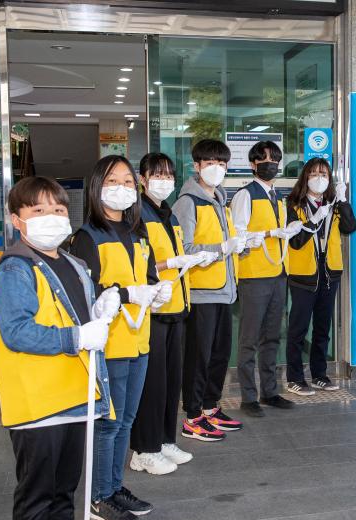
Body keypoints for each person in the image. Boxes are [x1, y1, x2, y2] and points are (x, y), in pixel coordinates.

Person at [0, 176, 115, 520]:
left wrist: (99, 310)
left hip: (74, 394)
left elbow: (76, 315)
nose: (52, 218)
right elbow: (18, 332)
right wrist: (78, 336)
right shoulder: (15, 270)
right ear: (16, 220)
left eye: (58, 209)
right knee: (37, 491)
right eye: (38, 210)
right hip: (36, 401)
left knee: (64, 487)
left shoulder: (72, 264)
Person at [71, 155, 170, 520]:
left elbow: (146, 276)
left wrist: (155, 292)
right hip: (108, 345)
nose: (123, 188)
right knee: (108, 424)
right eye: (113, 180)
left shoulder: (137, 231)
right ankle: (99, 497)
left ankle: (113, 487)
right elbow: (84, 292)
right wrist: (127, 294)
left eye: (128, 181)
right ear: (97, 186)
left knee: (126, 420)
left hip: (138, 340)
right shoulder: (87, 237)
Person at [129, 153, 216, 476]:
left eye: (168, 175)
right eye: (157, 175)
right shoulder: (136, 214)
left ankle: (165, 440)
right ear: (142, 179)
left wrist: (188, 261)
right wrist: (169, 265)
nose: (164, 181)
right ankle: (144, 449)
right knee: (151, 385)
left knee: (169, 382)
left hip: (176, 306)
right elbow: (135, 263)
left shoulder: (168, 214)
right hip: (152, 309)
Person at [172, 139, 246, 440]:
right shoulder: (187, 203)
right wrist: (222, 248)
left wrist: (240, 245)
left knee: (219, 355)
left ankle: (210, 407)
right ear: (196, 165)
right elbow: (185, 248)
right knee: (198, 358)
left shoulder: (219, 200)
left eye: (221, 163)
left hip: (223, 290)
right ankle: (192, 416)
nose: (216, 168)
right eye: (210, 163)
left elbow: (226, 245)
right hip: (201, 293)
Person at [230, 140, 302, 416]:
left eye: (274, 159)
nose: (270, 164)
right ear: (253, 164)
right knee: (249, 339)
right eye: (264, 160)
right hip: (254, 274)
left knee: (272, 336)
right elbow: (238, 235)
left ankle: (270, 391)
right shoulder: (245, 195)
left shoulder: (278, 196)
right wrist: (271, 234)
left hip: (278, 274)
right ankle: (248, 397)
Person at [284, 158, 356, 395]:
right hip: (303, 276)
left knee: (323, 328)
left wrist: (343, 202)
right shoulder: (293, 205)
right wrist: (313, 220)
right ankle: (294, 378)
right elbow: (295, 242)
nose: (319, 178)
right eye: (314, 173)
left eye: (324, 174)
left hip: (329, 273)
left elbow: (350, 227)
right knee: (298, 329)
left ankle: (319, 375)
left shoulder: (334, 204)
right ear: (305, 177)